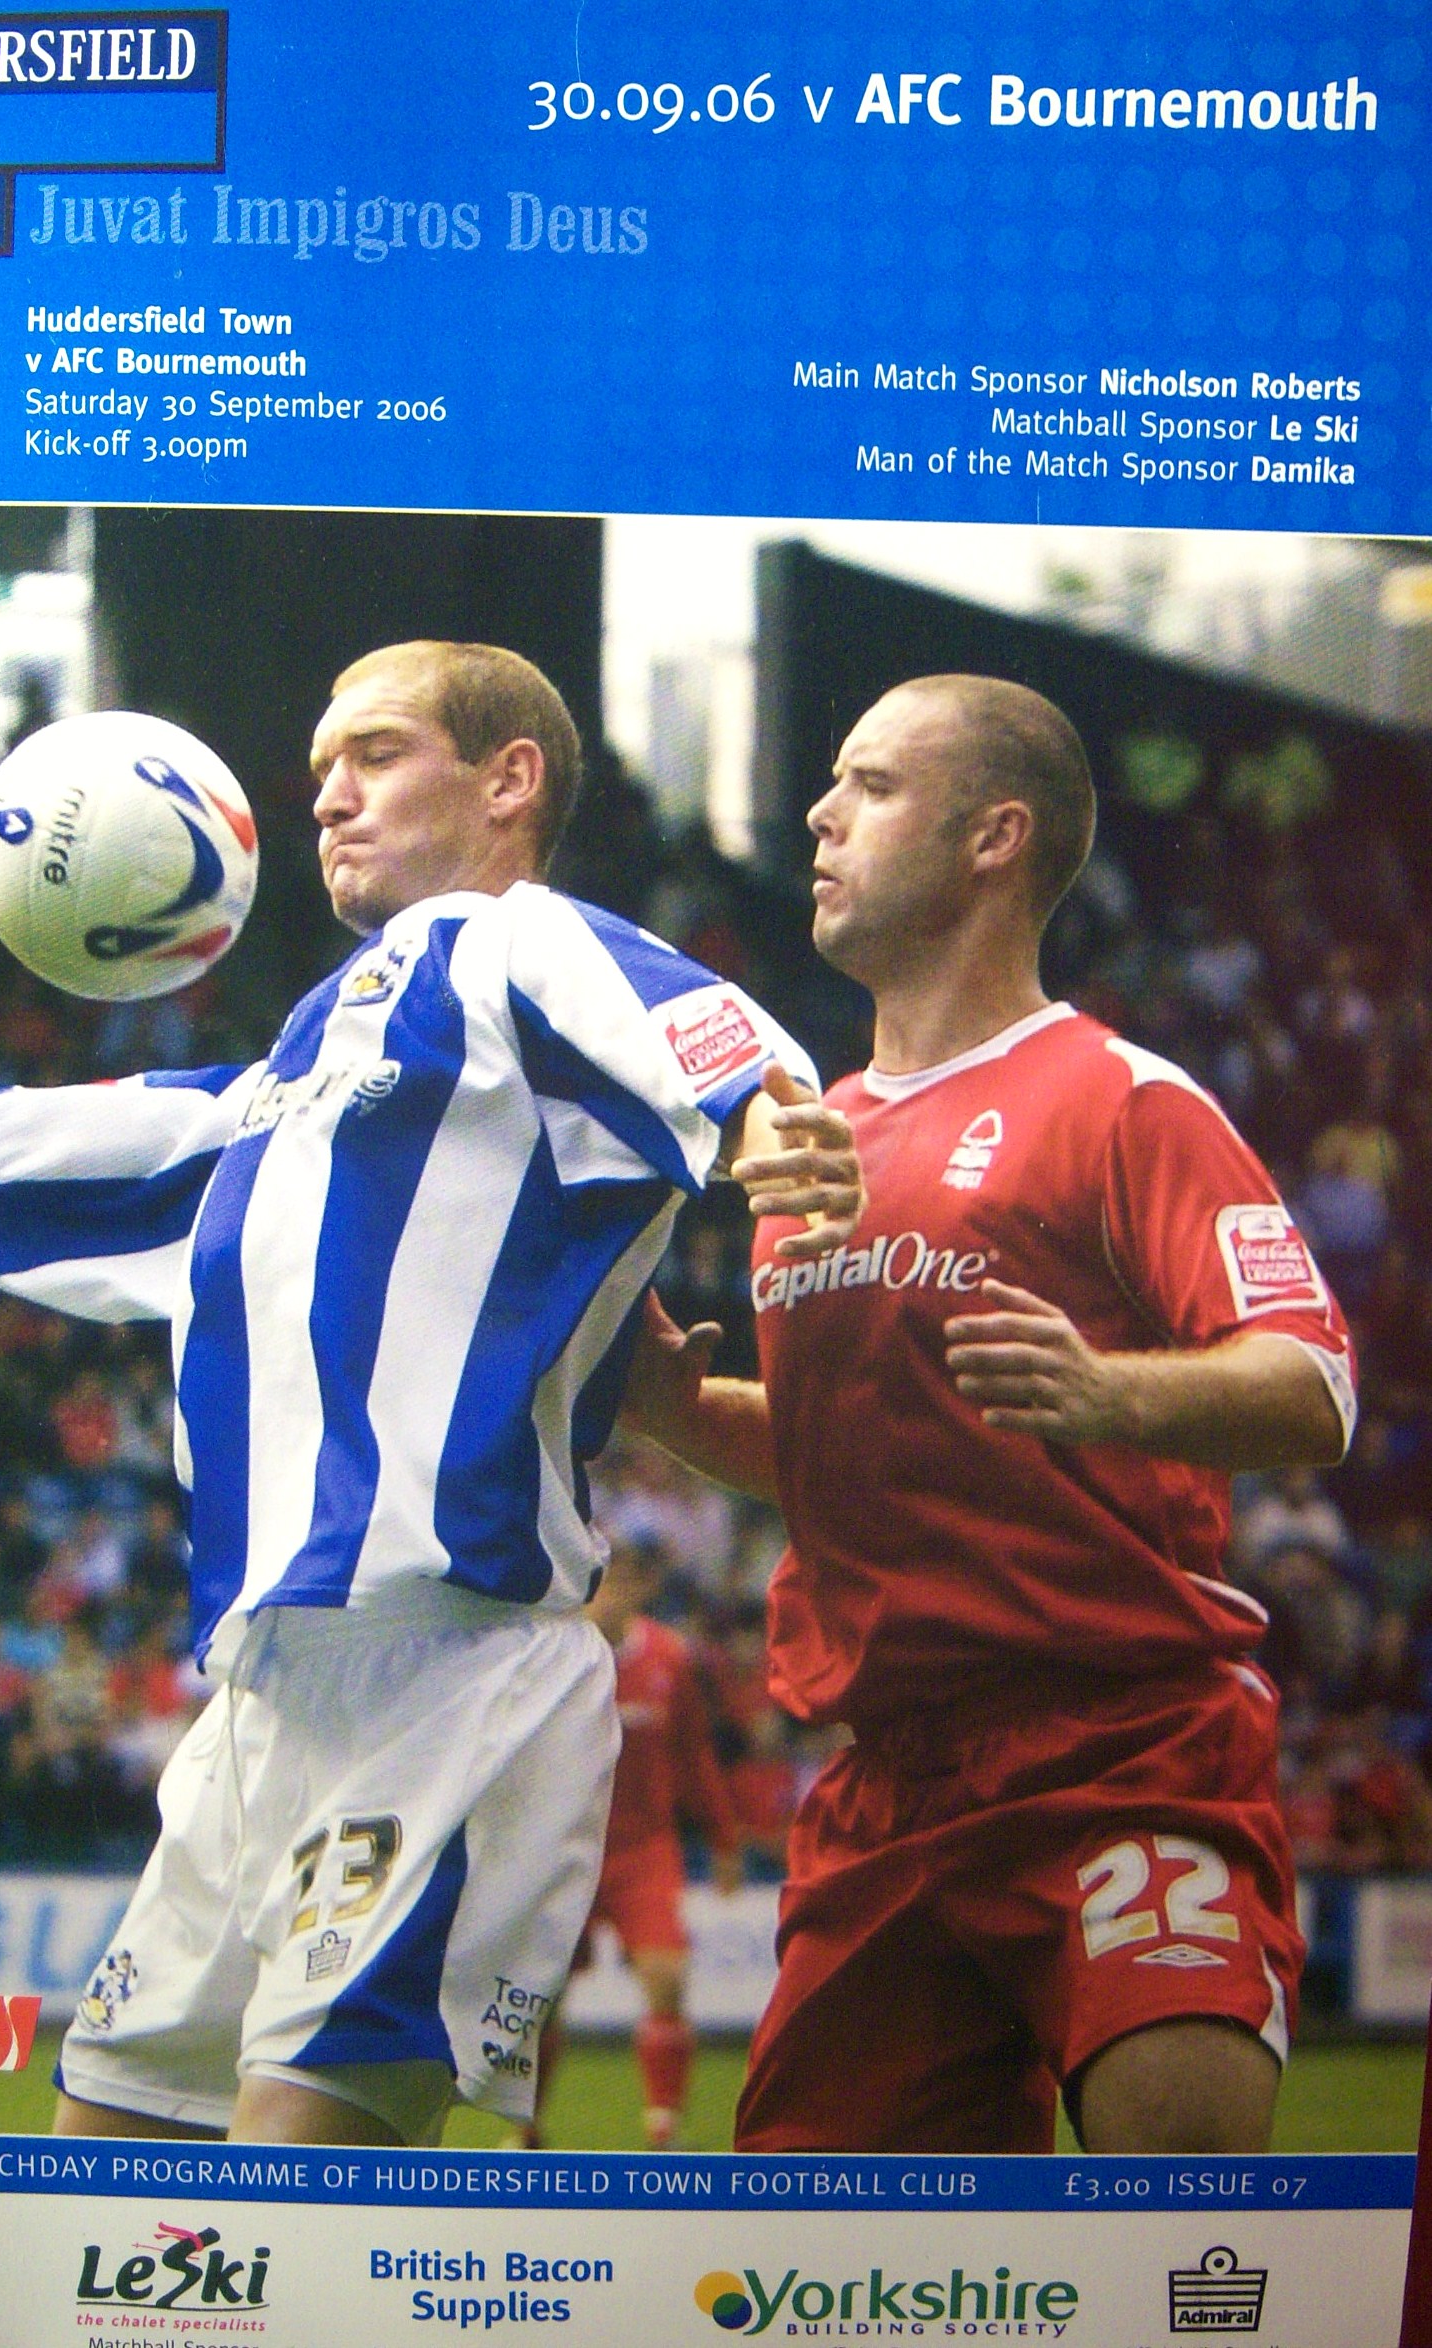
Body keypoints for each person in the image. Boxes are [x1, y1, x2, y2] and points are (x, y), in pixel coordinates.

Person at [0, 639, 859, 2149]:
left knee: (296, 2177)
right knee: (101, 2171)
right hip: (259, 1700)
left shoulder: (507, 943)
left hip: (453, 1674)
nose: (327, 795)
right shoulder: (278, 1090)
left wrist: (771, 1133)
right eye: (322, 765)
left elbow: (715, 1048)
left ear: (509, 780)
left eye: (376, 754)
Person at [625, 673, 1355, 2158]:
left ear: (993, 837)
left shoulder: (1121, 1098)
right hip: (882, 1790)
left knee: (1180, 2207)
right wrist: (676, 1412)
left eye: (872, 783)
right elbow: (842, 1455)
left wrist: (1107, 1390)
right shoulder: (809, 1138)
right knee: (813, 2261)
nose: (819, 814)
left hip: (1120, 1749)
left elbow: (1314, 1383)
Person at [527, 1538, 741, 2149]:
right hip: (565, 1847)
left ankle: (662, 2130)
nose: (612, 1595)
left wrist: (723, 1837)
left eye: (626, 1582)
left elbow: (694, 1753)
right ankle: (528, 2129)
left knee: (666, 1977)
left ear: (645, 1588)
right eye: (603, 1582)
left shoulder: (668, 1657)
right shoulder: (556, 1654)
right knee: (541, 1999)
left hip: (643, 1850)